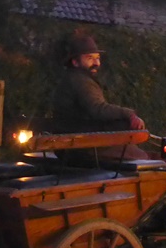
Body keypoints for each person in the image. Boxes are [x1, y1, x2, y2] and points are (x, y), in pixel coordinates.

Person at [51, 33, 149, 162]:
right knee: (143, 159)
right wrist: (129, 114)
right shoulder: (80, 81)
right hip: (83, 145)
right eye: (90, 58)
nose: (96, 63)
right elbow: (98, 109)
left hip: (77, 141)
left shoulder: (75, 78)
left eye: (97, 58)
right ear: (75, 62)